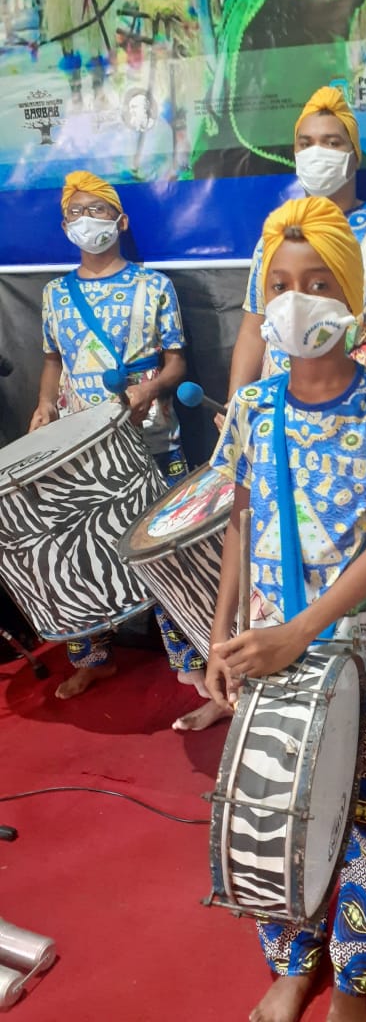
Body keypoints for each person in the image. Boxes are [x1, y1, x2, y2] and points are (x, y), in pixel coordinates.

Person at [205, 195, 366, 1022]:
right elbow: (238, 523)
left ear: (354, 298)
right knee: (278, 816)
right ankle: (293, 962)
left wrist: (294, 634)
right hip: (268, 645)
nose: (297, 300)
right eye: (281, 284)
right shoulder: (253, 408)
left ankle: (355, 977)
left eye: (318, 283)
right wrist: (221, 632)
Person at [29, 170, 207, 717]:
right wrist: (44, 405)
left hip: (153, 440)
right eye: (75, 212)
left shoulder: (154, 287)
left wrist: (150, 388)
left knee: (167, 554)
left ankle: (192, 660)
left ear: (121, 221)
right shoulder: (55, 294)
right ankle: (93, 656)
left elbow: (176, 363)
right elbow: (53, 361)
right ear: (64, 225)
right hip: (83, 451)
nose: (86, 220)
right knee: (79, 555)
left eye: (97, 210)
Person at [228, 84, 366, 392]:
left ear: (354, 157)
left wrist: (349, 405)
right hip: (276, 402)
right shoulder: (279, 231)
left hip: (359, 400)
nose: (316, 153)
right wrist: (235, 405)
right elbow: (254, 330)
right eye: (305, 144)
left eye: (331, 143)